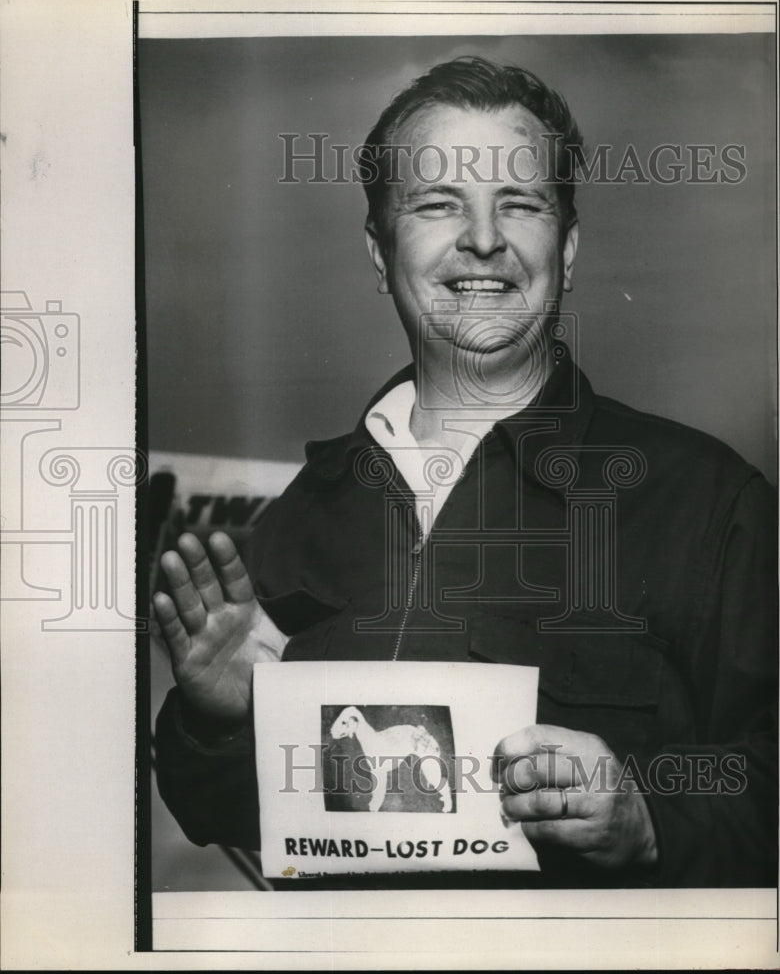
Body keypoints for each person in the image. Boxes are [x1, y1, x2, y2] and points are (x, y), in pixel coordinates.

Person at [152, 56, 777, 888]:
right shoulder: (304, 516)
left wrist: (653, 811)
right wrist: (225, 724)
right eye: (438, 204)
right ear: (379, 251)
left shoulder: (708, 502)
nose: (483, 238)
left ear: (569, 244)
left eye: (519, 203)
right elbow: (232, 818)